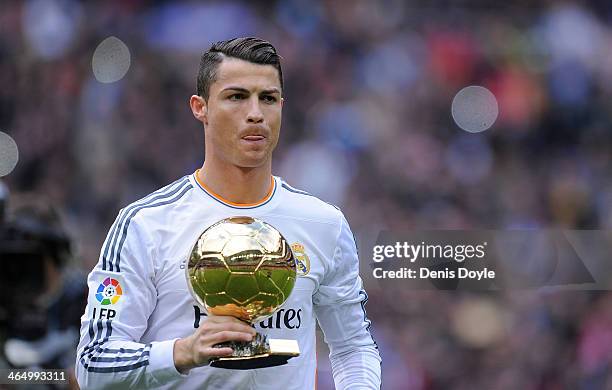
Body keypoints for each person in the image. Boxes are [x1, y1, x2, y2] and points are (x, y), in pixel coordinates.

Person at [75, 37, 381, 389]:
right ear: (200, 107)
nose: (255, 113)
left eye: (267, 98)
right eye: (236, 96)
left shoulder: (323, 223)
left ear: (281, 106)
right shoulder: (145, 224)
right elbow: (92, 365)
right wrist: (183, 352)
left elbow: (352, 347)